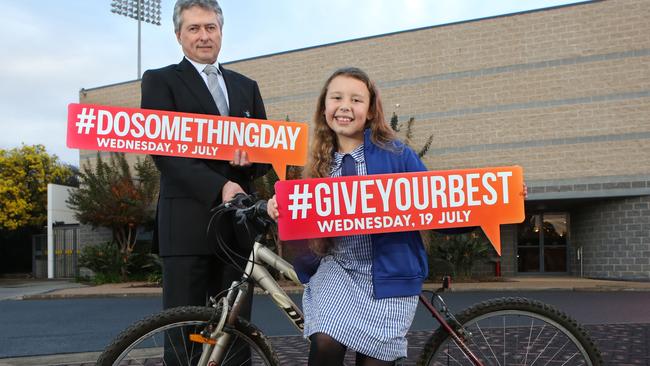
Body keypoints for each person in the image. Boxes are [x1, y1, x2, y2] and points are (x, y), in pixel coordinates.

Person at [267, 67, 427, 365]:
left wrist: (501, 199)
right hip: (338, 271)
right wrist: (279, 210)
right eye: (336, 97)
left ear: (369, 111)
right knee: (325, 342)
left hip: (389, 276)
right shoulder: (317, 166)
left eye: (356, 99)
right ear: (324, 107)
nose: (345, 106)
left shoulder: (398, 155)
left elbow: (439, 205)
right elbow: (303, 233)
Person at [141, 0, 267, 325]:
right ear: (178, 35)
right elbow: (165, 153)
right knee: (183, 334)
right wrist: (220, 186)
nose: (203, 36)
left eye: (210, 27)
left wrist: (248, 163)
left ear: (221, 31)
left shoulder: (247, 87)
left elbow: (266, 155)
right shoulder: (159, 81)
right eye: (194, 28)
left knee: (234, 333)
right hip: (186, 229)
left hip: (237, 228)